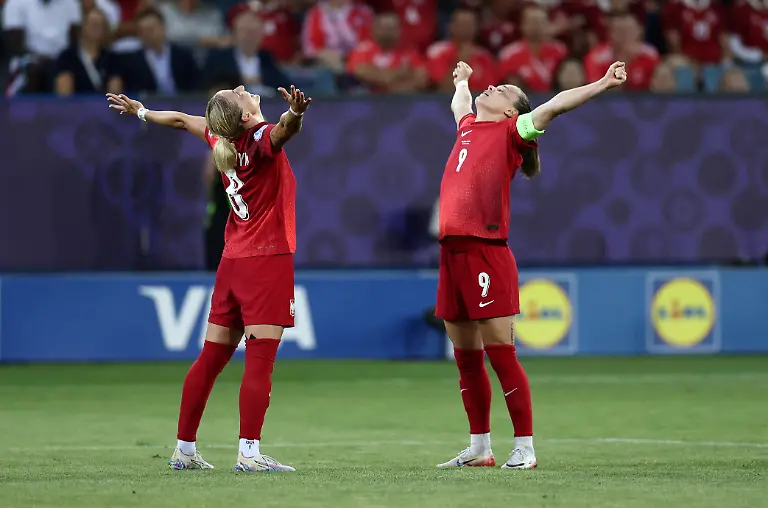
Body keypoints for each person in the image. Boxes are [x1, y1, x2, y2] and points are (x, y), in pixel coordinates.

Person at [106, 81, 312, 473]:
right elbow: (285, 130)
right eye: (239, 93)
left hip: (232, 262)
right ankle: (249, 454)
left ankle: (184, 450)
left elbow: (181, 121)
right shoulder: (260, 139)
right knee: (260, 360)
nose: (242, 87)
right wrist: (296, 113)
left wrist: (141, 112)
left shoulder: (221, 137)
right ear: (246, 115)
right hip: (266, 261)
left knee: (211, 358)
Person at [434, 59, 627, 469]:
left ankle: (525, 449)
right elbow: (459, 102)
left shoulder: (513, 131)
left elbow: (556, 104)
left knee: (501, 355)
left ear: (511, 111)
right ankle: (480, 448)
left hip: (486, 252)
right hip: (452, 255)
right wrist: (463, 81)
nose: (493, 87)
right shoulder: (467, 127)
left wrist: (602, 83)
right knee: (466, 359)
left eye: (503, 89)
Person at [53, 8, 123, 96]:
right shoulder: (67, 57)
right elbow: (64, 94)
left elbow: (115, 92)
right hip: (76, 103)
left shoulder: (112, 58)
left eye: (101, 25)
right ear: (83, 27)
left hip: (103, 103)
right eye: (93, 24)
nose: (97, 29)